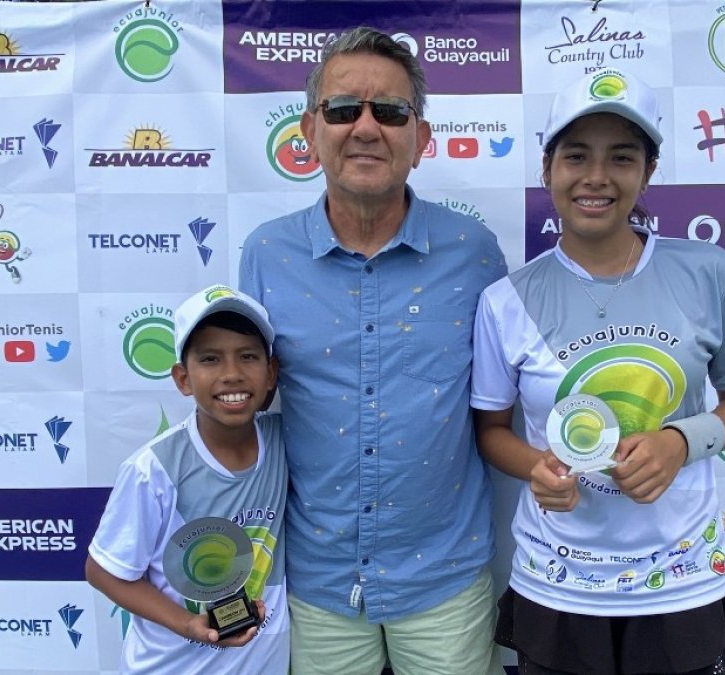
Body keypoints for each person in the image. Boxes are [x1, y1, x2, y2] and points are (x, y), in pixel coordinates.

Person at [470, 68, 725, 675]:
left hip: (680, 578)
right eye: (576, 155)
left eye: (622, 157)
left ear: (648, 172)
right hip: (560, 582)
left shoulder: (708, 272)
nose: (596, 177)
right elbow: (491, 430)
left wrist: (679, 442)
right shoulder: (506, 300)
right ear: (547, 167)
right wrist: (538, 469)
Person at [239, 26, 507, 675]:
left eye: (389, 111)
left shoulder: (475, 252)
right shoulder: (265, 254)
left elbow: (505, 402)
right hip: (317, 582)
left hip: (446, 578)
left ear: (420, 137)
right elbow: (245, 409)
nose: (365, 127)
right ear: (310, 129)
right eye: (342, 109)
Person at [86, 285, 289, 674]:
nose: (231, 374)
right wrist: (189, 624)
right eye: (210, 359)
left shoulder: (285, 442)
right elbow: (103, 571)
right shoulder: (154, 469)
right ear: (182, 378)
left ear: (271, 374)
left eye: (248, 356)